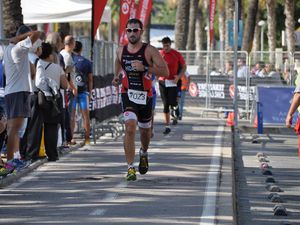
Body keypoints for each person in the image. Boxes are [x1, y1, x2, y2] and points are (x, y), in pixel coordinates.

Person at [112, 18, 169, 181]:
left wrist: (145, 67)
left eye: (135, 30)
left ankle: (143, 152)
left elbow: (165, 71)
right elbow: (118, 62)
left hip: (145, 95)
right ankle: (130, 168)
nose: (131, 33)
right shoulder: (120, 50)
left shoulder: (149, 50)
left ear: (141, 32)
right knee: (130, 127)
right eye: (128, 30)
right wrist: (116, 77)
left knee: (145, 132)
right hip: (127, 93)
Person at [0, 25, 40, 177]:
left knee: (15, 130)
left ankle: (14, 158)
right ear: (23, 37)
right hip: (17, 92)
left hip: (16, 91)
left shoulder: (14, 50)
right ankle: (11, 160)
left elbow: (32, 72)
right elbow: (37, 33)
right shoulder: (17, 46)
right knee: (14, 129)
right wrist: (19, 38)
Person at [35, 42, 71, 161]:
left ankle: (36, 152)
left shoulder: (36, 63)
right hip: (54, 100)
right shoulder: (57, 67)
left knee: (37, 125)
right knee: (52, 126)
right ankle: (52, 154)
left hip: (38, 97)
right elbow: (65, 85)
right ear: (50, 55)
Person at [158, 36, 186, 134]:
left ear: (170, 45)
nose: (166, 48)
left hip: (172, 81)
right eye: (164, 46)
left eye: (167, 46)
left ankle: (176, 108)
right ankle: (167, 126)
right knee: (165, 104)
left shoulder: (176, 54)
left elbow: (184, 66)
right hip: (162, 81)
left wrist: (178, 77)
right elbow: (154, 66)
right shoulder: (160, 54)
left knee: (173, 102)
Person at [71, 41, 93, 145]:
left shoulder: (70, 59)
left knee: (72, 115)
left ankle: (71, 138)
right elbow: (90, 79)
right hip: (83, 91)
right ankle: (87, 138)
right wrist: (90, 92)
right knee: (86, 116)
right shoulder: (87, 62)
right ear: (81, 49)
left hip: (72, 91)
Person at [60, 35, 77, 146]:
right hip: (68, 89)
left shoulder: (63, 54)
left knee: (69, 114)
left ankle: (68, 137)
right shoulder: (67, 57)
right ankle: (68, 138)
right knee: (69, 114)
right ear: (71, 44)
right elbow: (67, 74)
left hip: (66, 88)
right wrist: (73, 88)